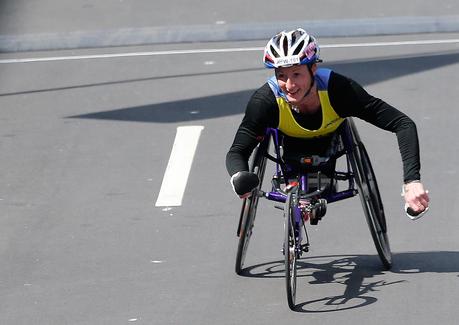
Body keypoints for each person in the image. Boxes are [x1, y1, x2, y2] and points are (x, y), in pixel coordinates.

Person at [226, 28, 430, 219]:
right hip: (289, 146)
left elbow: (403, 124)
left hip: (329, 142)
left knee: (320, 183)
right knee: (299, 185)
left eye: (296, 74)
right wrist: (239, 177)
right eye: (281, 75)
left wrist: (411, 181)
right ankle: (300, 190)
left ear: (313, 68)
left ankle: (318, 186)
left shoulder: (340, 91)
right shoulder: (265, 102)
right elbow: (237, 151)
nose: (289, 86)